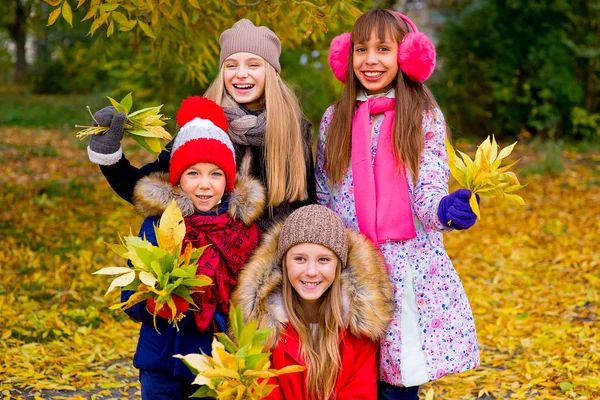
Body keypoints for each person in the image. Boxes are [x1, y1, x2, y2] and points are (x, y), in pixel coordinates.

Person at [316, 9, 481, 400]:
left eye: (383, 49)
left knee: (396, 382)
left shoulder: (423, 117)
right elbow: (324, 192)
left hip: (405, 267)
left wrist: (445, 210)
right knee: (351, 376)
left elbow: (429, 186)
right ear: (346, 56)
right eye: (361, 49)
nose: (370, 60)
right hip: (350, 267)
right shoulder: (334, 118)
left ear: (407, 57)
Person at [87, 19, 315, 231]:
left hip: (267, 266)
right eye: (231, 65)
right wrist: (110, 158)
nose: (241, 74)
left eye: (253, 65)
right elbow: (147, 188)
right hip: (205, 261)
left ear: (272, 72)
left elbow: (307, 207)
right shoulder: (203, 125)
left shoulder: (293, 129)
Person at [122, 97, 264, 400]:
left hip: (219, 363)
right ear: (177, 178)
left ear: (228, 180)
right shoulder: (160, 226)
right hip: (163, 363)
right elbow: (130, 298)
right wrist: (158, 300)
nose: (204, 185)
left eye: (215, 174)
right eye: (193, 173)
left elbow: (254, 296)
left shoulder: (243, 232)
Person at [232, 205, 395, 400]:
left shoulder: (358, 330)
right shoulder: (262, 330)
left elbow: (360, 394)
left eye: (324, 260)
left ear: (339, 266)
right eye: (299, 259)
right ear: (283, 263)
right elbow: (262, 392)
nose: (311, 271)